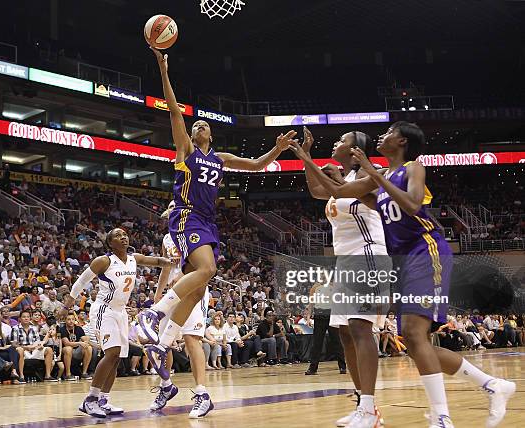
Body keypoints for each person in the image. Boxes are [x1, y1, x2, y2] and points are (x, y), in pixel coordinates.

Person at [295, 121, 516, 428]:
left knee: (401, 334)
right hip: (395, 261)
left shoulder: (411, 168)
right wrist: (307, 158)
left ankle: (439, 417)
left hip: (420, 252)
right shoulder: (378, 176)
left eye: (388, 134)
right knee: (411, 341)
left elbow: (412, 204)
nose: (383, 136)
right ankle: (491, 385)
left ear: (401, 142)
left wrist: (370, 173)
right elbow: (339, 191)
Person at [138, 48, 296, 399]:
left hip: (208, 222)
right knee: (207, 270)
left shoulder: (221, 159)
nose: (200, 127)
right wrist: (163, 70)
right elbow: (175, 110)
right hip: (186, 214)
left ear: (211, 134)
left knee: (196, 291)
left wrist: (277, 150)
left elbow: (255, 166)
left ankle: (162, 344)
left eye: (204, 125)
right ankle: (155, 313)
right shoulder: (186, 151)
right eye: (196, 125)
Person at [294, 126, 389, 427]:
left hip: (369, 254)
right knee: (345, 333)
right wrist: (306, 156)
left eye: (341, 140)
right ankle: (362, 403)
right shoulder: (339, 176)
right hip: (345, 261)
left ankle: (372, 409)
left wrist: (309, 160)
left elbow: (338, 190)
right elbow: (316, 190)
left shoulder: (369, 175)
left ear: (354, 150)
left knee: (361, 329)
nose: (335, 142)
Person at [69, 227, 172, 418]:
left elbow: (158, 261)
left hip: (121, 312)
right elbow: (81, 281)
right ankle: (90, 399)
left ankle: (103, 400)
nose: (123, 237)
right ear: (110, 243)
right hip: (103, 310)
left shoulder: (134, 258)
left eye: (124, 234)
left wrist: (174, 261)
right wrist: (68, 303)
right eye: (117, 235)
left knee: (117, 358)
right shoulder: (103, 261)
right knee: (112, 352)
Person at [148, 201, 214, 418]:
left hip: (193, 290)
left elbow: (203, 268)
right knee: (158, 344)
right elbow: (168, 267)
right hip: (171, 293)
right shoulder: (168, 237)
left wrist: (182, 277)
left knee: (191, 339)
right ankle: (166, 385)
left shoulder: (198, 231)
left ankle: (202, 394)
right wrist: (158, 294)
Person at [60, 313, 93, 380]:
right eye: (69, 319)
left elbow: (85, 338)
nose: (71, 321)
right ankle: (68, 374)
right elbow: (66, 343)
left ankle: (84, 373)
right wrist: (80, 343)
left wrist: (86, 341)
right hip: (65, 351)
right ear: (65, 320)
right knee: (68, 348)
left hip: (77, 350)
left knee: (88, 347)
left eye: (73, 319)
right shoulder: (62, 329)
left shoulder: (78, 328)